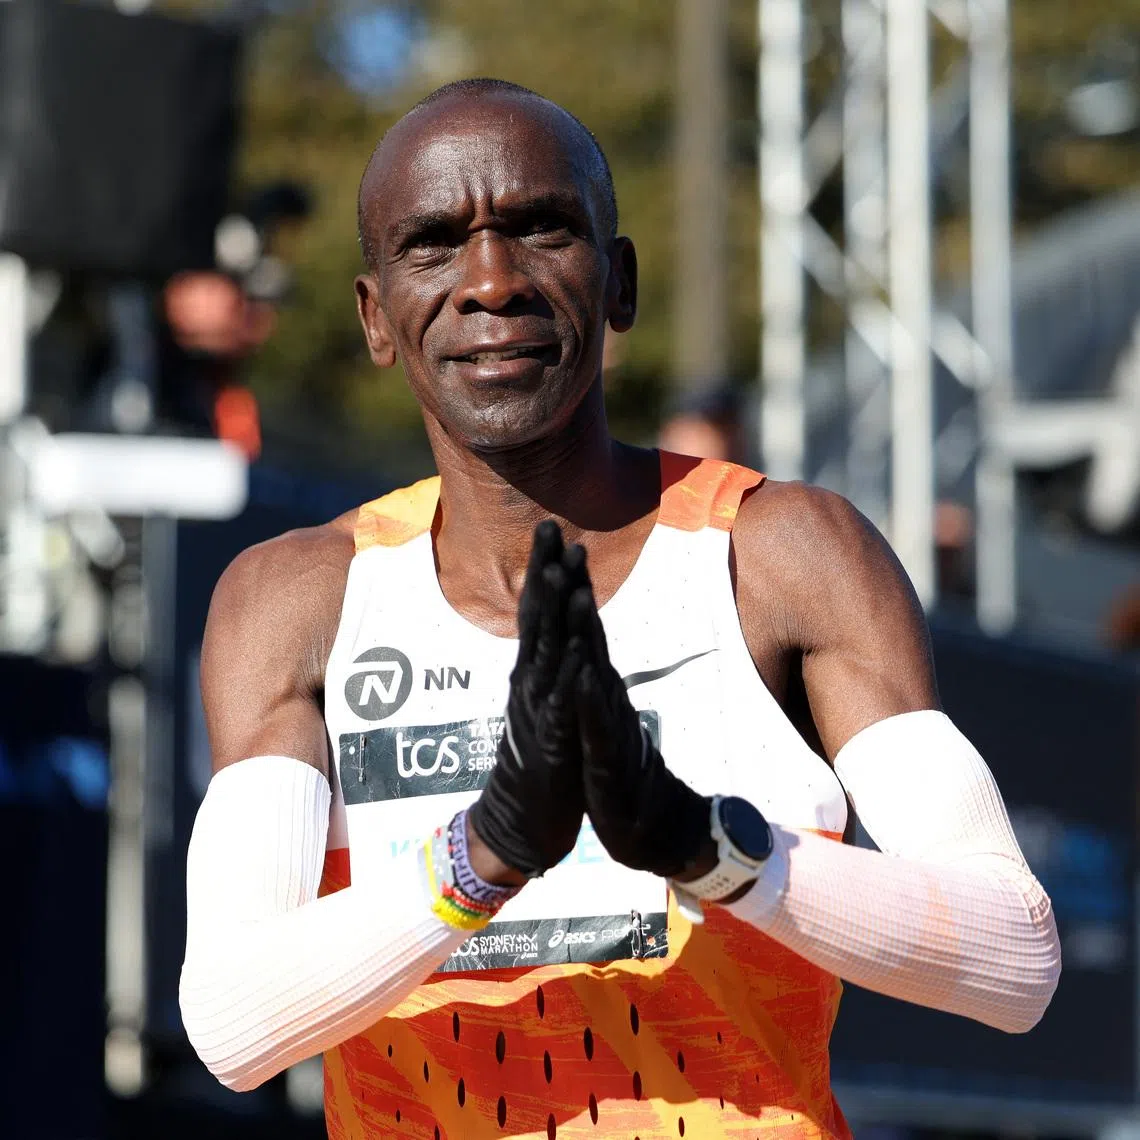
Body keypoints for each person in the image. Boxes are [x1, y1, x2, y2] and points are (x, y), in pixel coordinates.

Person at [179, 79, 1060, 1140]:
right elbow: (231, 1026)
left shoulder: (782, 555)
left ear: (619, 281)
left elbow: (1017, 961)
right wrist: (490, 848)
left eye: (541, 228)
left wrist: (705, 844)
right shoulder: (297, 600)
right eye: (435, 245)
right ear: (376, 317)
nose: (492, 282)